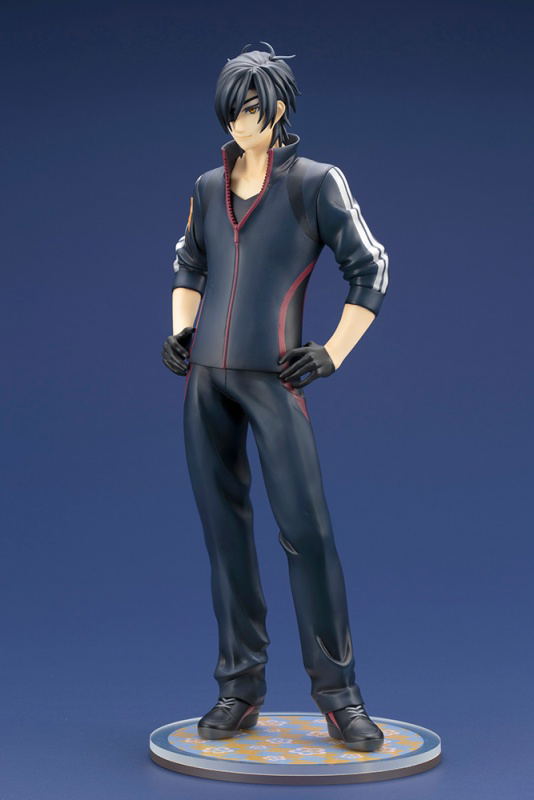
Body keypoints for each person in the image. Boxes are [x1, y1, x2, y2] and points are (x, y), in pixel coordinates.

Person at [161, 42, 389, 752]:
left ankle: (339, 695)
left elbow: (371, 268)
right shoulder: (208, 186)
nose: (239, 122)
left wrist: (333, 351)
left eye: (252, 108)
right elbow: (189, 264)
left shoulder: (315, 183)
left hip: (274, 379)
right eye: (231, 110)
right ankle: (239, 687)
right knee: (223, 535)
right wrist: (182, 330)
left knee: (306, 531)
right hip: (206, 382)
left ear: (279, 109)